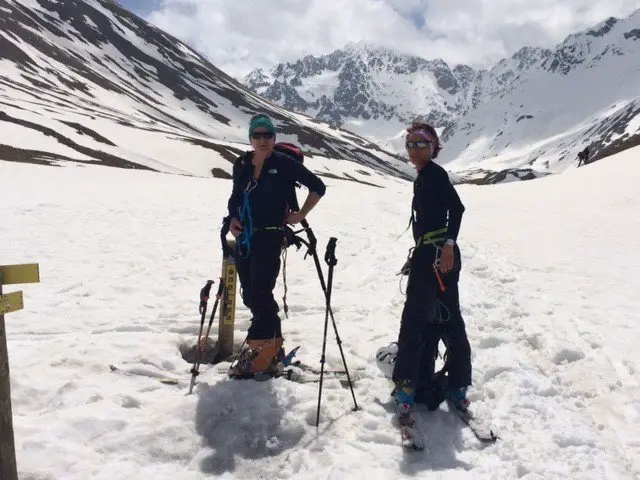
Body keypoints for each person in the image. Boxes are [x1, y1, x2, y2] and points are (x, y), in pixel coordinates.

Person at [226, 113, 326, 376]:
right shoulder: (242, 164)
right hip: (246, 237)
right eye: (257, 135)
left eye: (267, 135)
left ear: (274, 138)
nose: (262, 140)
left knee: (260, 293)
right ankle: (270, 347)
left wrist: (301, 214)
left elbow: (318, 187)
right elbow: (235, 198)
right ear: (250, 137)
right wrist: (234, 218)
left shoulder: (283, 163)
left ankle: (263, 352)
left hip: (270, 236)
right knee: (251, 294)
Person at [392, 121, 472, 414]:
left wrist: (448, 244)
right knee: (449, 318)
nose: (414, 149)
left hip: (435, 256)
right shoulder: (426, 175)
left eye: (420, 144)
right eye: (410, 144)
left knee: (414, 319)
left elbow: (457, 208)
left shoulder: (433, 174)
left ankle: (406, 388)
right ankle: (458, 385)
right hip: (437, 254)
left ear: (433, 147)